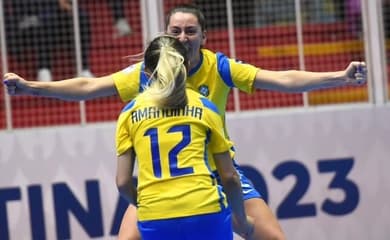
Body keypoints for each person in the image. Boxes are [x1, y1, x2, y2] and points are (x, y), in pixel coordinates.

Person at [3, 4, 367, 240]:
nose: (182, 38)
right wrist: (32, 87)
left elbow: (282, 78)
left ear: (203, 37)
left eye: (190, 31)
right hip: (161, 183)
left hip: (214, 173)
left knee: (273, 237)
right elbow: (88, 86)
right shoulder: (145, 74)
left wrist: (338, 77)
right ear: (165, 35)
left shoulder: (219, 66)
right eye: (175, 31)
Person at [115, 34, 253, 240]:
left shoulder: (130, 112)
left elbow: (123, 182)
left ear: (146, 72)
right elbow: (230, 177)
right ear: (187, 66)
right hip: (205, 210)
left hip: (154, 216)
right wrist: (242, 220)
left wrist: (147, 205)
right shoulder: (204, 106)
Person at [4, 0, 93, 82]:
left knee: (81, 17)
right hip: (28, 14)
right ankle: (43, 69)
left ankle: (82, 68)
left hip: (53, 11)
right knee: (44, 22)